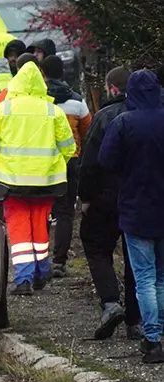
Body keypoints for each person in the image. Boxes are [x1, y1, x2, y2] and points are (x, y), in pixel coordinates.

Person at [0, 61, 75, 296]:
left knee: (19, 230)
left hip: (11, 183)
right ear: (41, 84)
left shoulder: (3, 110)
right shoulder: (53, 111)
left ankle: (23, 280)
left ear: (16, 83)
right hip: (46, 183)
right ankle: (41, 271)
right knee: (40, 226)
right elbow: (69, 148)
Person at [98, 69, 164, 364]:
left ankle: (152, 340)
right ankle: (160, 333)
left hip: (136, 208)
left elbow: (105, 160)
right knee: (162, 277)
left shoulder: (124, 122)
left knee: (145, 277)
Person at [78, 66, 141, 341]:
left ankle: (110, 303)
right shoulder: (152, 114)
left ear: (112, 88)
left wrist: (85, 197)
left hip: (106, 196)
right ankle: (136, 320)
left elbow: (90, 163)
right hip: (140, 198)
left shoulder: (104, 117)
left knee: (95, 244)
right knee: (136, 258)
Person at [41, 55, 91, 278]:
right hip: (70, 161)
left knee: (41, 210)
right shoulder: (77, 101)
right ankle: (59, 260)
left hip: (43, 161)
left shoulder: (40, 100)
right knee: (65, 213)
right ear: (63, 72)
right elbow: (88, 130)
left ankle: (40, 260)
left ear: (43, 74)